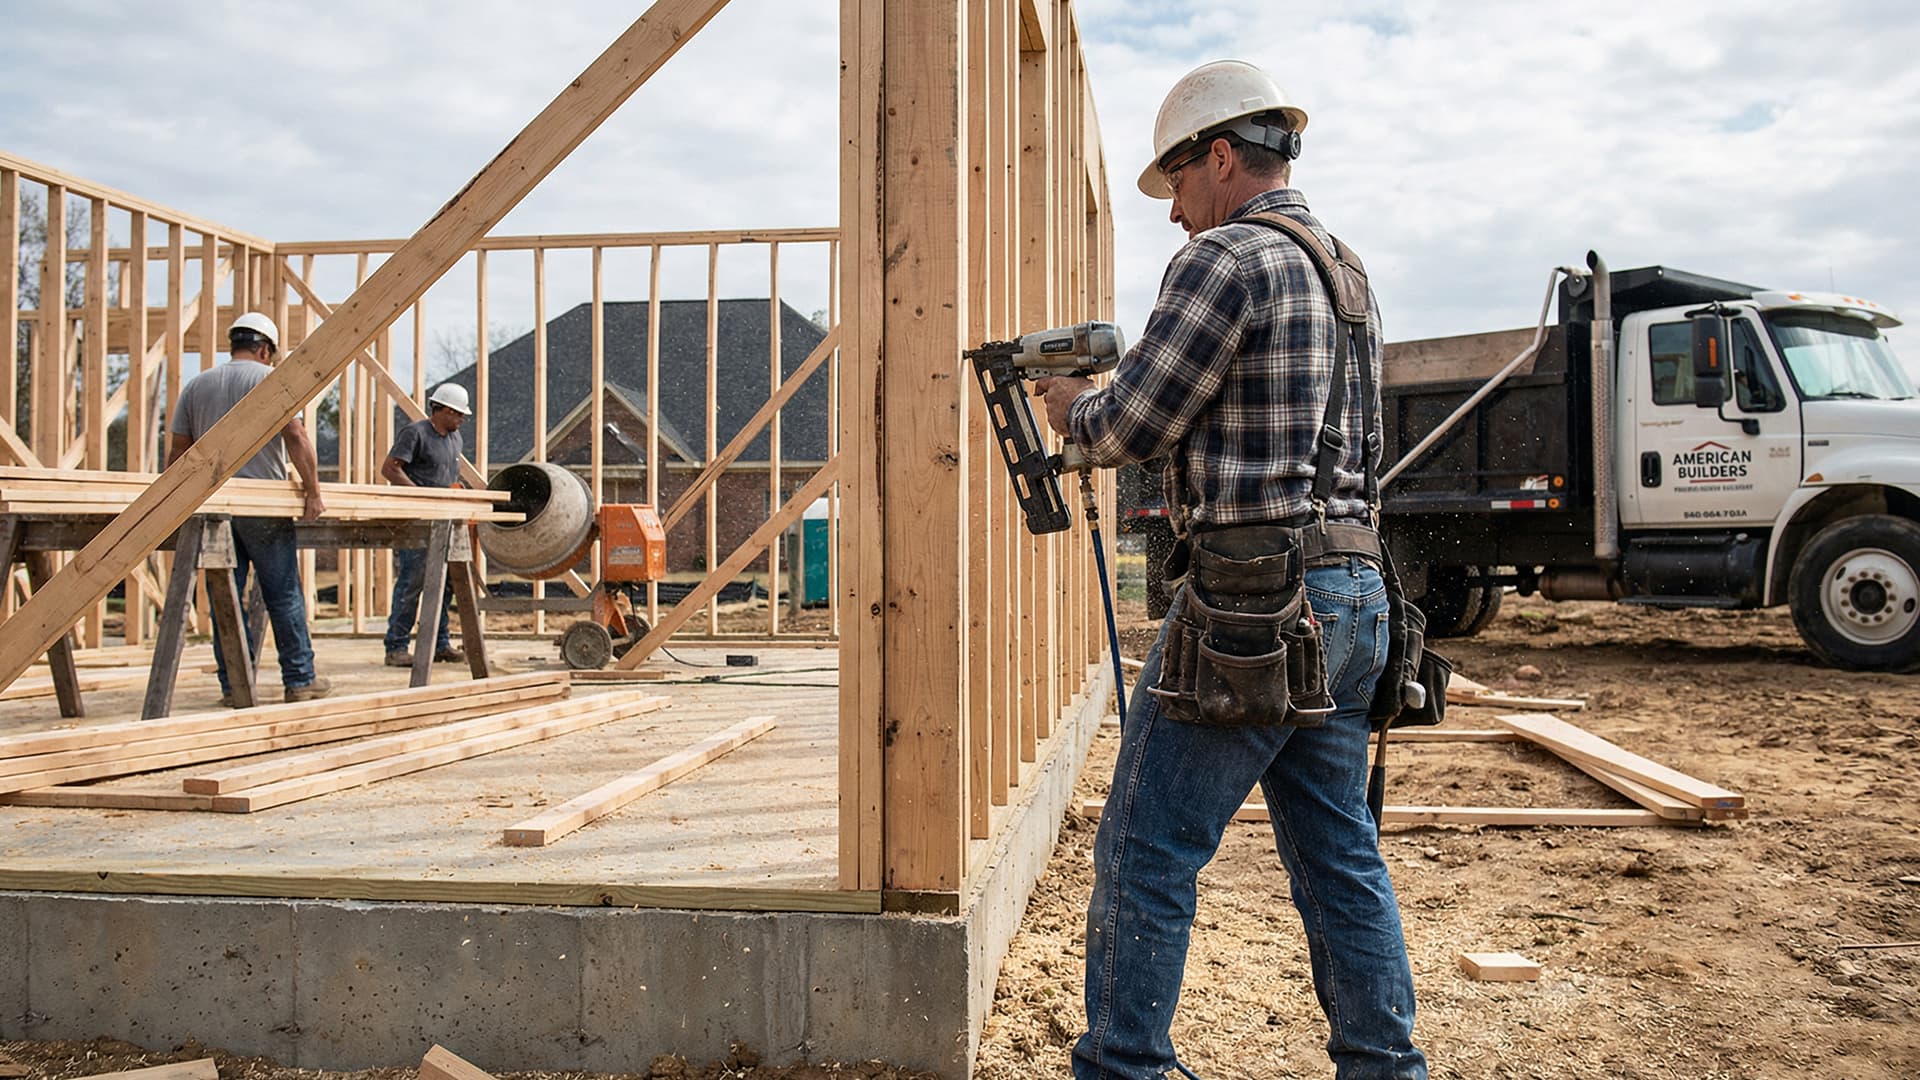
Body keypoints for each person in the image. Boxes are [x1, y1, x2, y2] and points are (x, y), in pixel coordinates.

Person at [1034, 60, 1427, 1080]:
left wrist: (1067, 402)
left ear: (1220, 156)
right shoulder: (1347, 270)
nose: (1175, 218)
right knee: (1338, 852)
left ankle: (1123, 1067)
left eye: (1178, 187)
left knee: (1146, 847)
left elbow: (1132, 425)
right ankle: (1385, 1067)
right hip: (1352, 594)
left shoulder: (1226, 261)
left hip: (1255, 603)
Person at [168, 312, 332, 704]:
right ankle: (299, 680)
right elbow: (297, 436)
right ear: (264, 349)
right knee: (284, 594)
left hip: (213, 512)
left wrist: (175, 507)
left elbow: (177, 453)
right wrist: (312, 491)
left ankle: (234, 687)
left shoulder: (197, 385)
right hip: (263, 505)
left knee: (225, 598)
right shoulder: (270, 381)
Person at [379, 383, 472, 667]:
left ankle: (439, 643)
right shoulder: (415, 434)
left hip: (443, 521)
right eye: (457, 414)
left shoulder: (455, 440)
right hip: (416, 522)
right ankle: (396, 647)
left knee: (445, 586)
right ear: (442, 410)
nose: (461, 420)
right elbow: (389, 469)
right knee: (412, 582)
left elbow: (445, 476)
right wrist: (420, 495)